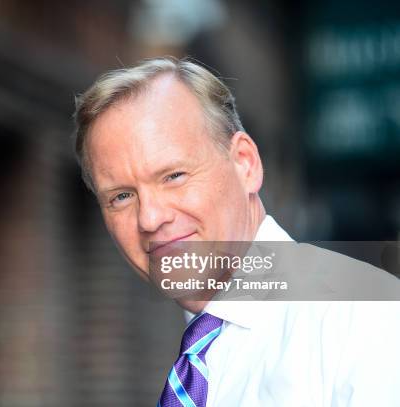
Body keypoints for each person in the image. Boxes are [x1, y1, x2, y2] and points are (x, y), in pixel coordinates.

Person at [73, 57, 400, 406]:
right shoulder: (200, 356)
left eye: (173, 176)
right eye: (122, 196)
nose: (150, 218)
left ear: (245, 163)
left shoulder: (367, 321)